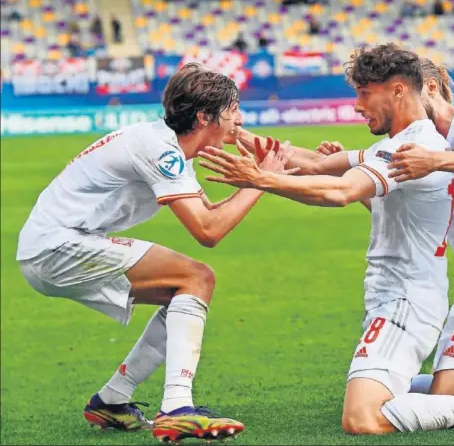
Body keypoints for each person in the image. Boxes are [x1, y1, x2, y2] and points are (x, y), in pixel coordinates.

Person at [200, 44, 454, 434]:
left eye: (363, 93)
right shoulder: (409, 145)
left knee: (420, 403)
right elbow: (318, 165)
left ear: (411, 89)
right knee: (445, 389)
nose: (356, 105)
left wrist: (261, 180)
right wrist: (233, 134)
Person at [16, 63, 293, 443]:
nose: (239, 120)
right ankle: (177, 408)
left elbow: (210, 216)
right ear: (204, 117)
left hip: (52, 246)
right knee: (196, 276)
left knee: (185, 289)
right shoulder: (161, 152)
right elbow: (208, 232)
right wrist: (261, 182)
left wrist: (262, 177)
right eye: (233, 111)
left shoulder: (167, 147)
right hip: (58, 245)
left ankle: (112, 400)